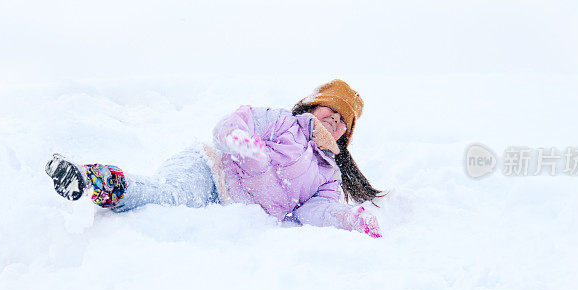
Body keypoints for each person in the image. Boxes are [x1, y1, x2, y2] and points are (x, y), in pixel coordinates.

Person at [45, 79, 385, 238]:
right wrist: (243, 145)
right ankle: (92, 179)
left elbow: (313, 211)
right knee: (167, 196)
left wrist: (347, 217)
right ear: (314, 105)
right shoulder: (281, 121)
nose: (335, 120)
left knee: (169, 209)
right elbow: (232, 124)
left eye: (344, 121)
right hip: (210, 169)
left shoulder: (327, 175)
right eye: (333, 110)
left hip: (230, 204)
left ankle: (100, 183)